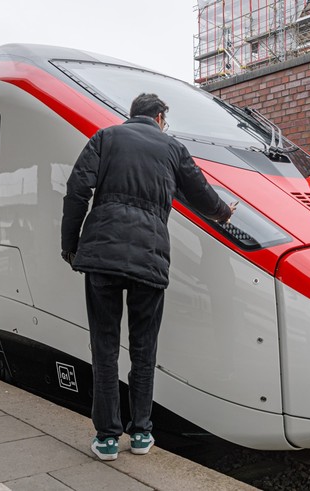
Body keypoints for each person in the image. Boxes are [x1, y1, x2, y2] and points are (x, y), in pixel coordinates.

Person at [61, 93, 235, 461]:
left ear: (132, 115)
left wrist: (71, 244)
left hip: (102, 258)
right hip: (149, 260)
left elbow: (77, 189)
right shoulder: (173, 148)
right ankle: (140, 434)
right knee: (144, 350)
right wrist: (223, 213)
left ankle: (107, 439)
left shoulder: (105, 138)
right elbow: (201, 194)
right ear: (159, 117)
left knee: (104, 348)